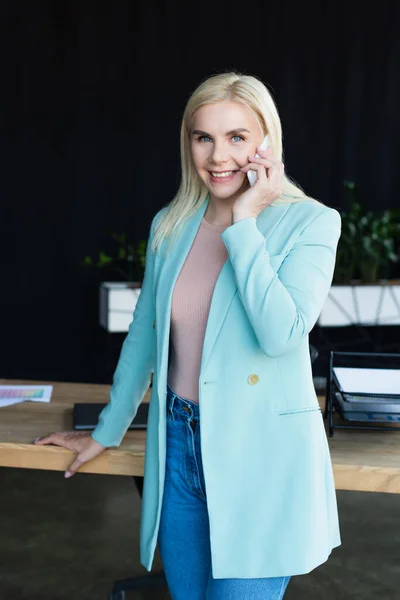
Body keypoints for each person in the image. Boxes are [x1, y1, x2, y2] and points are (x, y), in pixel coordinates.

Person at [35, 71, 342, 600]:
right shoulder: (171, 224)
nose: (218, 156)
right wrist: (106, 431)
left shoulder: (310, 223)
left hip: (261, 455)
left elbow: (281, 333)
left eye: (237, 137)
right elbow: (144, 338)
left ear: (266, 140)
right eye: (204, 137)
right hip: (178, 440)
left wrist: (243, 224)